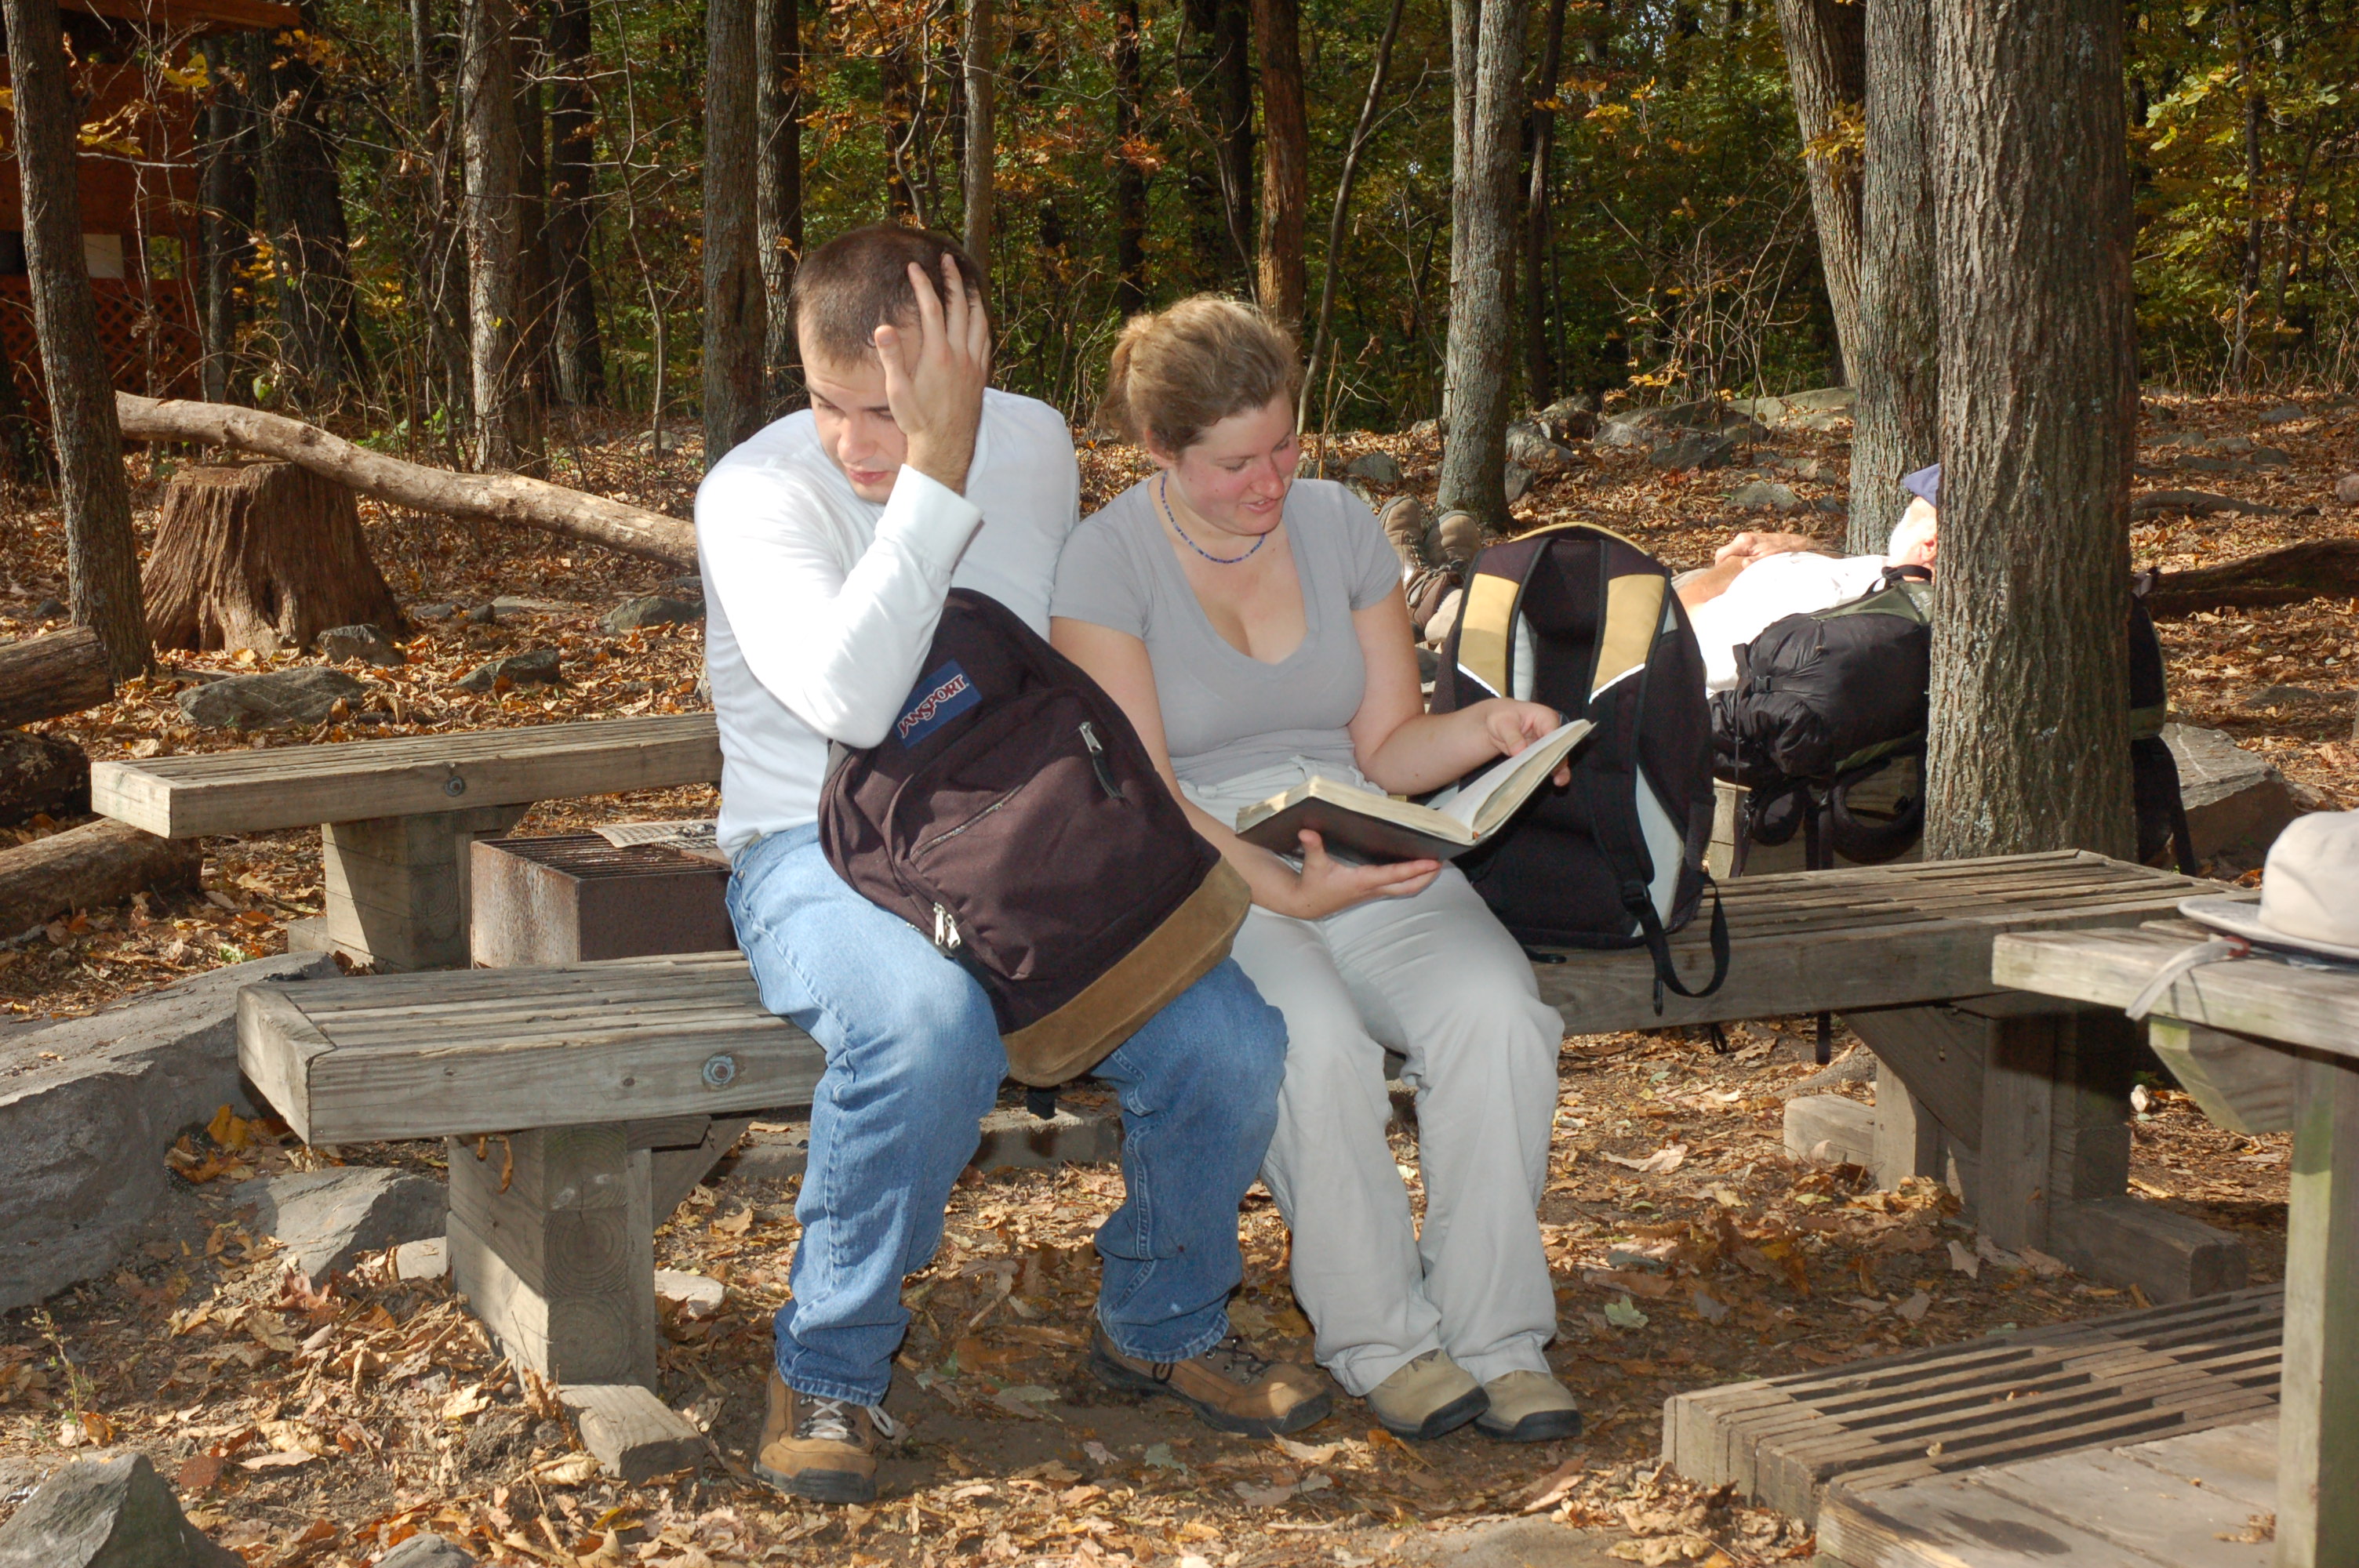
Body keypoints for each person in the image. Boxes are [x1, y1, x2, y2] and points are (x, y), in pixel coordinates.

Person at [697, 232, 1322, 1506]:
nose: (855, 444)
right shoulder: (754, 494)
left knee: (1230, 1044)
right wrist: (931, 471)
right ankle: (828, 1368)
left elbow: (1063, 657)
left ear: (973, 364)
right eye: (827, 403)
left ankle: (1162, 1324)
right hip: (811, 849)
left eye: (892, 409)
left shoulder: (1032, 441)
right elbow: (855, 705)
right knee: (927, 1027)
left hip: (1017, 834)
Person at [1049, 297, 1583, 1445]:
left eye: (1285, 445)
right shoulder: (1105, 562)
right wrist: (1283, 888)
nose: (1270, 481)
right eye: (1235, 463)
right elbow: (1147, 796)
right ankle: (1382, 1340)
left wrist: (1489, 733)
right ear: (1159, 450)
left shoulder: (1337, 524)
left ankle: (1498, 1336)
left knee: (1497, 1014)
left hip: (1356, 828)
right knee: (1314, 1044)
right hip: (1207, 859)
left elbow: (1389, 748)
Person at [1678, 464, 1940, 691]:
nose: (1909, 507)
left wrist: (1737, 566)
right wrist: (1806, 547)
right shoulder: (1912, 589)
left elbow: (1678, 627)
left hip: (1698, 608)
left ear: (1930, 545)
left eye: (1916, 504)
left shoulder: (1817, 600)